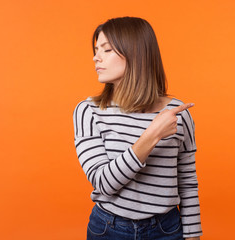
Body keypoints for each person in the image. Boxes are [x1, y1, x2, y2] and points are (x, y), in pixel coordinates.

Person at [73, 16, 202, 240]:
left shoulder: (177, 114)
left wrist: (193, 236)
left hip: (166, 230)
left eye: (107, 50)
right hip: (109, 229)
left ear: (135, 53)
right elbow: (104, 183)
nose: (96, 58)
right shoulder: (88, 111)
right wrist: (152, 135)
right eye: (96, 50)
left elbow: (188, 181)